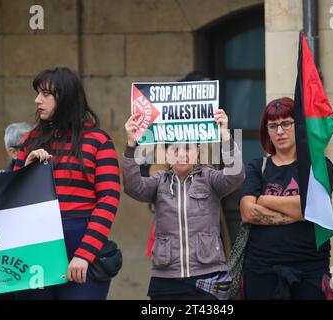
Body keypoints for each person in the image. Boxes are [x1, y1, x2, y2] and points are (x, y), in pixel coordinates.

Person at [13, 67, 121, 300]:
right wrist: (26, 170)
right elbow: (10, 198)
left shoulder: (98, 141)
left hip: (81, 242)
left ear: (65, 97)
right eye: (37, 93)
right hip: (35, 243)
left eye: (45, 94)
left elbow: (108, 199)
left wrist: (85, 253)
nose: (37, 100)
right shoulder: (29, 139)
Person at [123, 109, 245, 300]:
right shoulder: (159, 181)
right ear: (167, 154)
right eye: (174, 148)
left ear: (198, 151)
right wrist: (131, 145)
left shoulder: (209, 178)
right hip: (166, 277)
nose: (181, 154)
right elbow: (132, 186)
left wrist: (225, 136)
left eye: (187, 148)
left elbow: (236, 175)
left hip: (208, 274)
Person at [239, 97, 333, 300]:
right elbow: (248, 212)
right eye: (273, 126)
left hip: (310, 270)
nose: (279, 131)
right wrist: (296, 211)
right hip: (261, 271)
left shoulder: (319, 166)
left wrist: (264, 200)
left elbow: (312, 208)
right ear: (267, 132)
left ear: (298, 125)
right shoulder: (257, 166)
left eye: (286, 123)